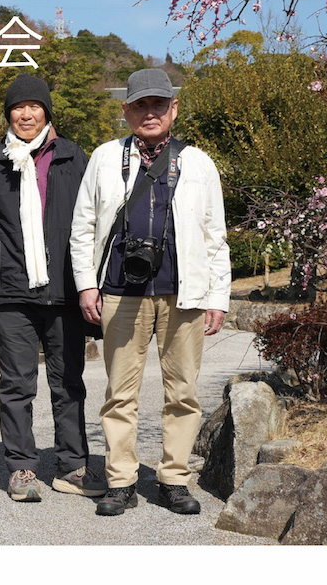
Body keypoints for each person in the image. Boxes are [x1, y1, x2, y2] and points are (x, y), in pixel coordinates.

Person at [70, 68, 230, 516]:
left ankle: (174, 479)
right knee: (120, 393)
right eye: (140, 105)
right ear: (126, 111)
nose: (150, 112)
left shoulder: (198, 162)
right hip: (121, 291)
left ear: (173, 108)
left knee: (183, 392)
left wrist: (218, 296)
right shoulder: (105, 158)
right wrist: (87, 284)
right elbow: (83, 226)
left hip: (184, 293)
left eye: (159, 103)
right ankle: (121, 480)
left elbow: (215, 235)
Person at [0, 74, 106, 503]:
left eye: (34, 106)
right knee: (16, 384)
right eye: (18, 107)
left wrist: (92, 283)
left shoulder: (74, 158)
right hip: (12, 291)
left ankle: (71, 466)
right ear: (8, 114)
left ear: (47, 111)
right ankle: (22, 467)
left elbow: (95, 223)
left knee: (68, 383)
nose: (26, 115)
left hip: (65, 288)